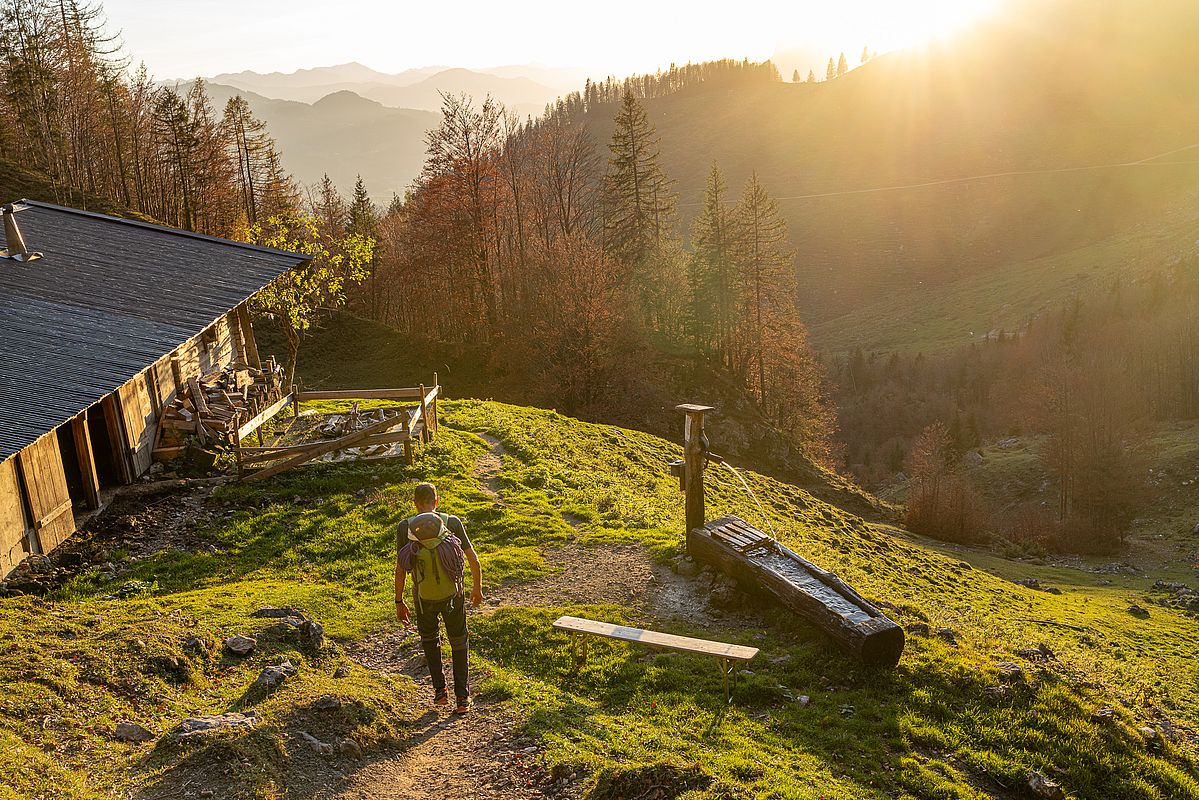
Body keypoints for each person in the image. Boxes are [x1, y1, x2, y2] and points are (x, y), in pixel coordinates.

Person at [395, 482, 483, 713]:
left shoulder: (405, 527)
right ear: (437, 501)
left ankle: (439, 693)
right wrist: (477, 588)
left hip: (423, 597)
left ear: (415, 503)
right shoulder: (452, 522)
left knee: (430, 641)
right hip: (453, 594)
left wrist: (399, 601)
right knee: (459, 641)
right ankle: (462, 699)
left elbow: (400, 569)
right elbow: (473, 559)